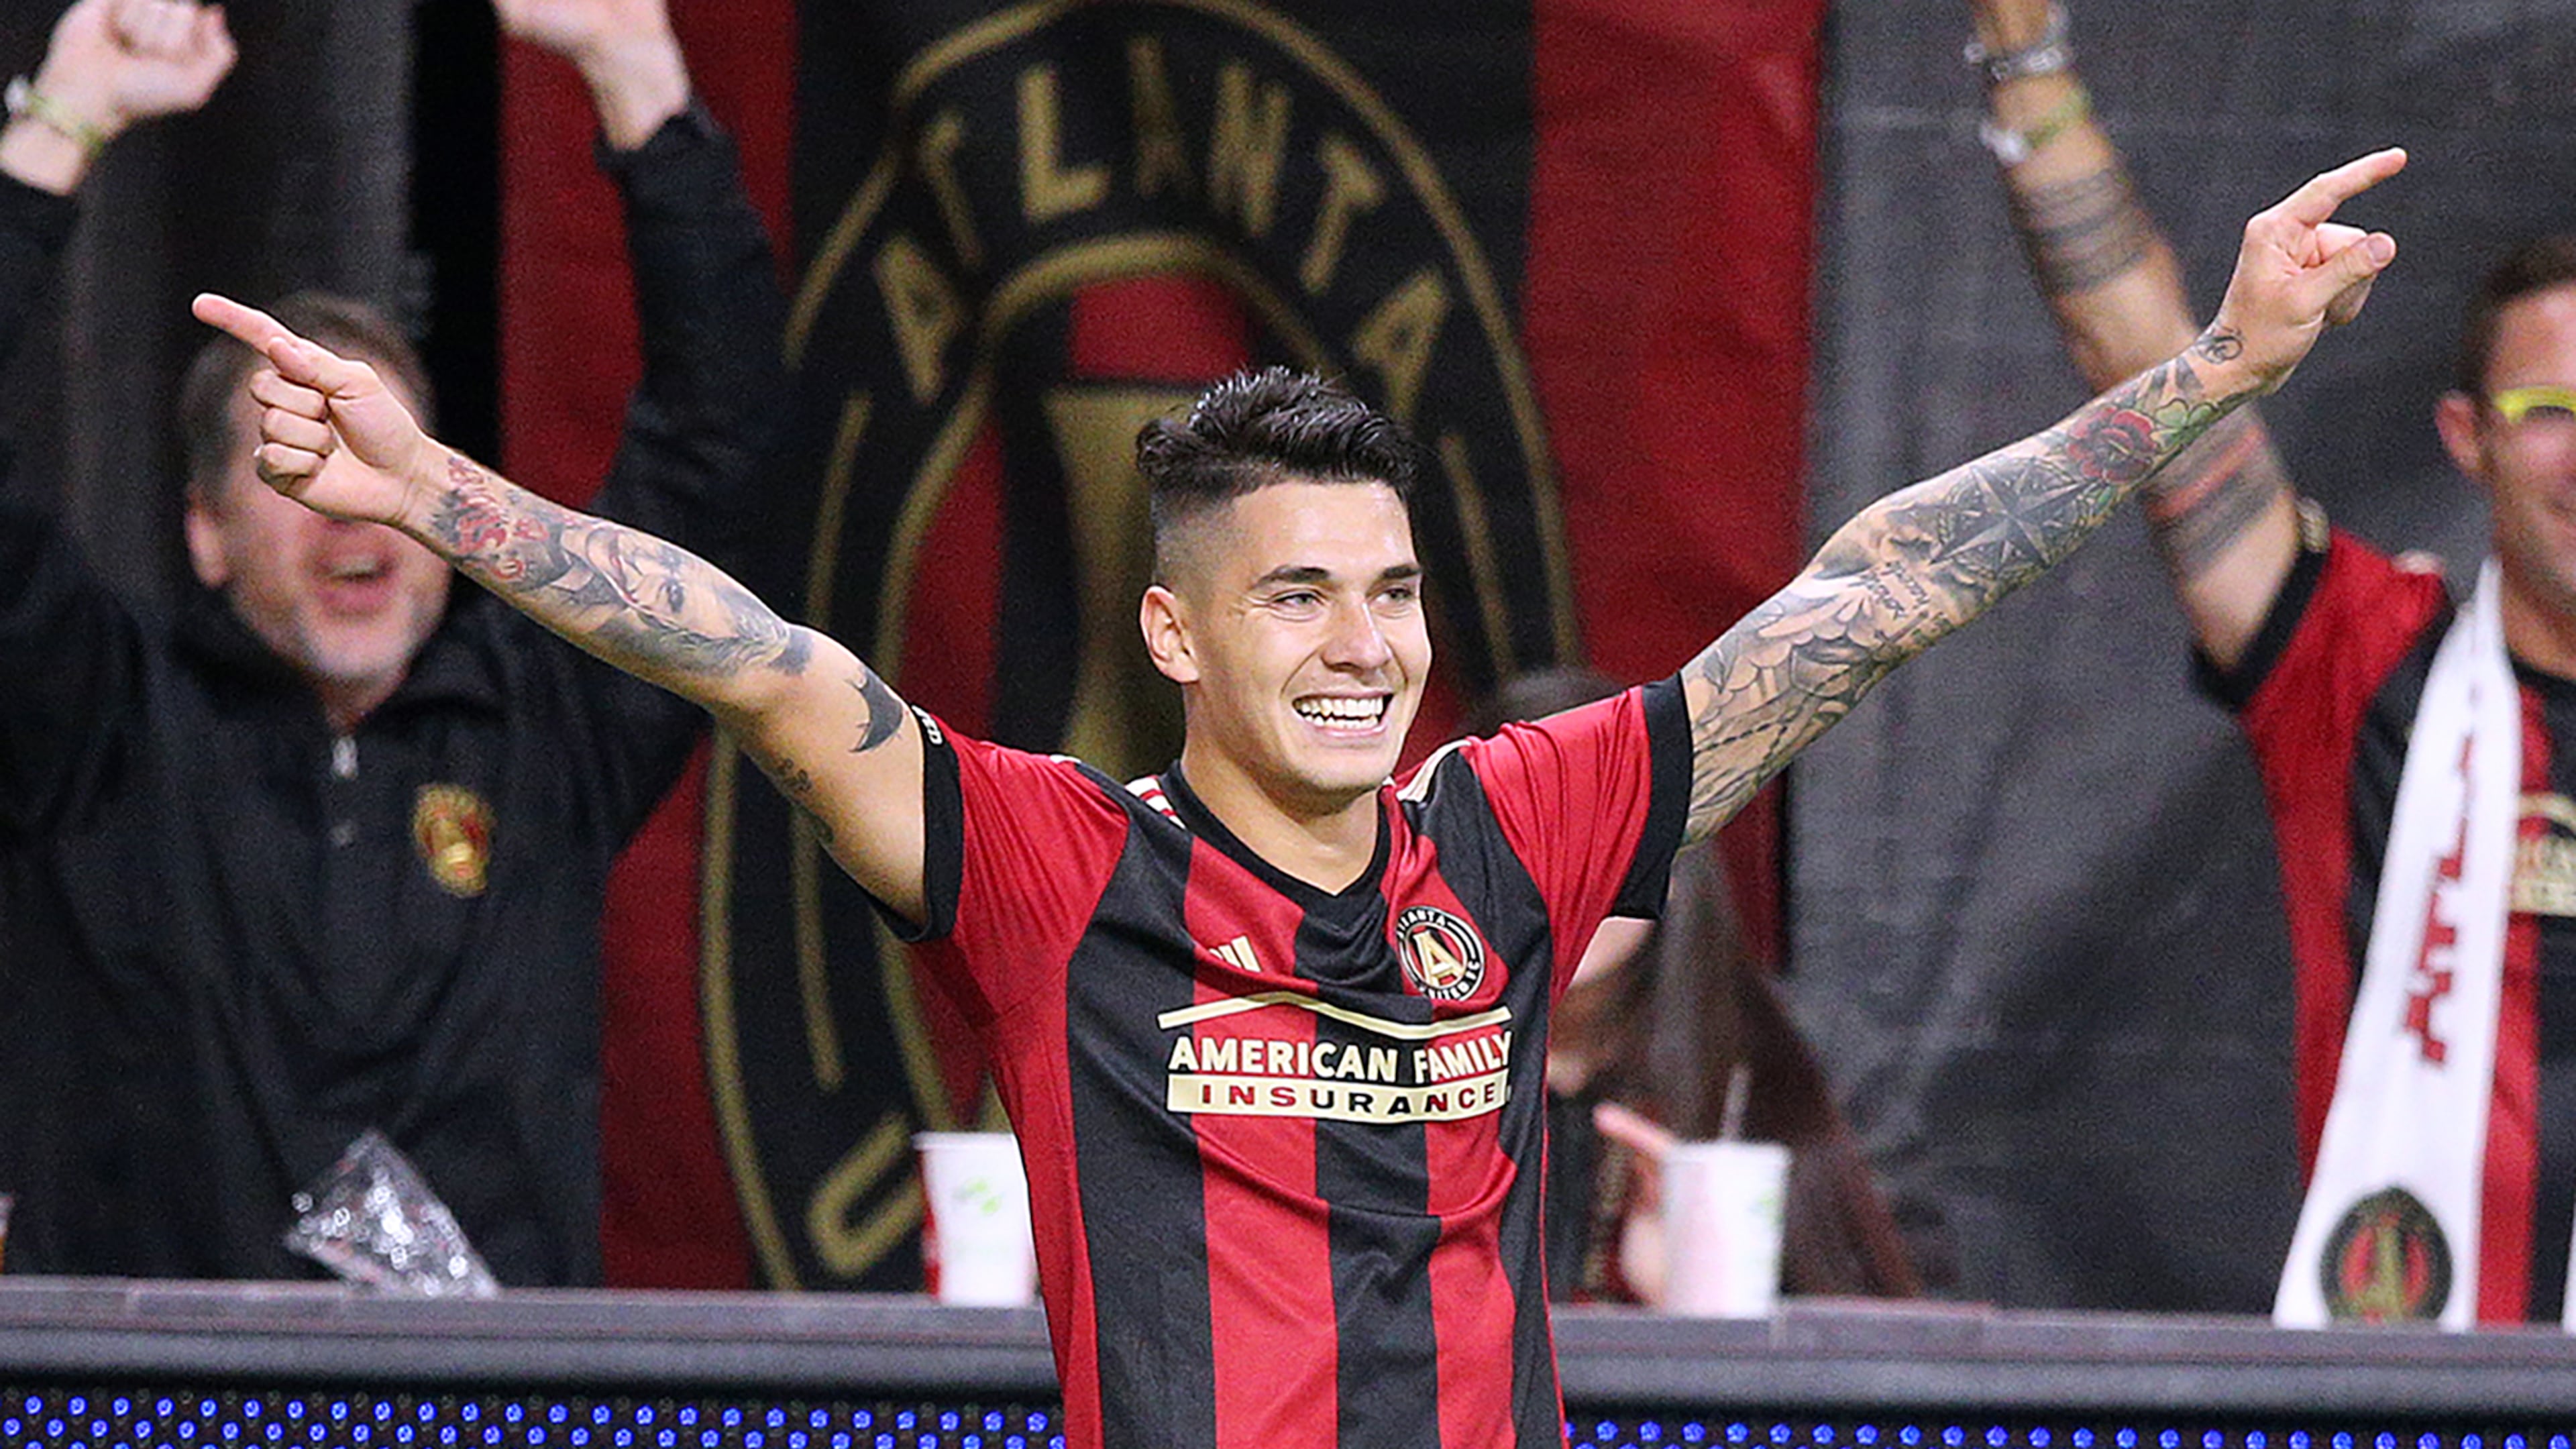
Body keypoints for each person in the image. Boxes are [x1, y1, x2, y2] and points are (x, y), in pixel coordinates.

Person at [197, 139, 2398, 1444]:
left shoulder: (1512, 833)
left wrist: (2208, 378)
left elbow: (1871, 596)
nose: (1363, 645)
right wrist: (440, 490)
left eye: (1393, 591)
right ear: (1175, 638)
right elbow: (754, 664)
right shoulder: (1054, 872)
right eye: (1299, 601)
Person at [0, 0, 785, 1285]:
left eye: (380, 461)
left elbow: (722, 443)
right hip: (157, 1406)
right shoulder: (98, 721)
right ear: (203, 530)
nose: (342, 499)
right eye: (294, 453)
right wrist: (63, 119)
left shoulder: (550, 726)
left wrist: (635, 70)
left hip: (489, 1410)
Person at [1967, 0, 2576, 1329]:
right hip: (2413, 1392)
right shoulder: (2363, 664)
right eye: (2550, 415)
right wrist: (2027, 62)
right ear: (2468, 439)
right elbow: (2142, 379)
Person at [1466, 667, 1921, 1304]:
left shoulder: (1756, 1089)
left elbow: (1868, 1376)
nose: (1561, 887)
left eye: (1598, 844)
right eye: (1516, 845)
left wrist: (1698, 1303)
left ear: (1672, 869)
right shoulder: (1369, 1079)